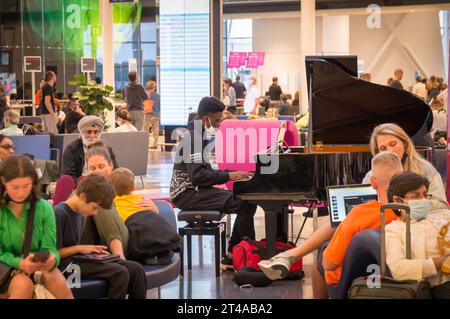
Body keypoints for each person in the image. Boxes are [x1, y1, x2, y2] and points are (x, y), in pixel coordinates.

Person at [258, 152, 403, 298]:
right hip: (398, 276)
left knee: (322, 254)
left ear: (373, 182)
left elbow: (329, 264)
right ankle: (289, 256)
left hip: (351, 280)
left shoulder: (359, 213)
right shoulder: (409, 212)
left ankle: (289, 256)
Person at [170, 96, 257, 270]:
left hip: (193, 190)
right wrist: (230, 176)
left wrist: (230, 174)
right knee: (244, 202)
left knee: (246, 201)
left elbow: (203, 173)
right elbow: (198, 176)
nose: (219, 124)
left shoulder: (197, 135)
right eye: (217, 120)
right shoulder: (193, 139)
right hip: (186, 194)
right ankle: (247, 255)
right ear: (206, 118)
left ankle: (234, 254)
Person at [55, 173, 147, 299]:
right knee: (120, 273)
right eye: (94, 208)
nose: (95, 213)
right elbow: (54, 254)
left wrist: (93, 253)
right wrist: (80, 249)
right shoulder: (59, 213)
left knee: (136, 269)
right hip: (66, 267)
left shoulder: (79, 212)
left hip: (78, 260)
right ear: (82, 196)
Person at [0, 155, 73, 299]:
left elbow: (50, 247)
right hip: (4, 268)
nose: (21, 192)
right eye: (15, 187)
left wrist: (52, 259)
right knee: (23, 285)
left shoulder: (44, 208)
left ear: (33, 183)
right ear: (3, 182)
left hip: (33, 266)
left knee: (55, 279)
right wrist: (19, 263)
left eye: (26, 186)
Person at [386, 172, 450, 299]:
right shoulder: (394, 230)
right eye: (416, 196)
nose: (423, 200)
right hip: (439, 286)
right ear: (398, 200)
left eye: (425, 195)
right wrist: (441, 262)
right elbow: (398, 269)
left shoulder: (443, 216)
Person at [363, 123, 448, 210]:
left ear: (404, 143)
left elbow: (442, 206)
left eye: (393, 144)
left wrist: (411, 204)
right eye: (383, 148)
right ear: (378, 152)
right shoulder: (371, 176)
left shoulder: (426, 169)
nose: (390, 151)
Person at [62, 116, 118, 181]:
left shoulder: (107, 148)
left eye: (95, 132)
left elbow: (115, 169)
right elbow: (69, 176)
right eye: (89, 132)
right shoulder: (71, 149)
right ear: (82, 132)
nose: (92, 136)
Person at [144, 80, 160, 149]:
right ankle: (155, 144)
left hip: (148, 114)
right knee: (155, 130)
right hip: (156, 114)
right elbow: (159, 105)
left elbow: (143, 104)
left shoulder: (146, 94)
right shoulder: (158, 95)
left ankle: (145, 144)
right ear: (154, 87)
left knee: (146, 130)